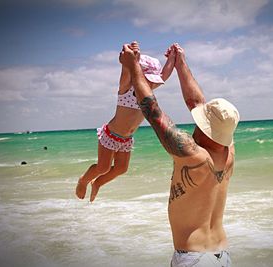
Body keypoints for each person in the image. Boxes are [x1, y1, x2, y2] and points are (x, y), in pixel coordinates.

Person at [119, 42, 239, 267]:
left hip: (194, 259)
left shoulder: (193, 155)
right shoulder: (229, 149)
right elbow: (198, 103)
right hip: (223, 256)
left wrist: (132, 66)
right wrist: (180, 64)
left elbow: (151, 109)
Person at [75, 41, 176, 202]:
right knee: (103, 167)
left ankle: (98, 183)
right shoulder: (126, 88)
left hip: (126, 139)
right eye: (148, 79)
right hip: (111, 135)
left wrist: (172, 58)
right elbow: (127, 70)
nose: (152, 83)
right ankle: (83, 180)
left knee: (122, 168)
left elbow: (164, 75)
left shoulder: (148, 92)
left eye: (153, 81)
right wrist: (132, 57)